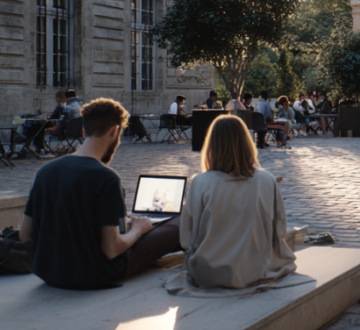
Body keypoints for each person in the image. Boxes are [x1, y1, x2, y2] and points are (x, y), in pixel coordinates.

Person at [19, 99, 182, 289]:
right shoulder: (106, 177)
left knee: (134, 226)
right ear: (114, 131)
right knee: (179, 221)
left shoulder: (45, 171)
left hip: (46, 272)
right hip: (96, 273)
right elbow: (111, 250)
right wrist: (139, 229)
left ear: (83, 131)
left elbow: (24, 235)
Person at [167, 115, 296, 292]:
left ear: (211, 145)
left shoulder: (200, 183)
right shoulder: (267, 180)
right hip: (256, 268)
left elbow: (188, 239)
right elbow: (279, 230)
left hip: (208, 273)